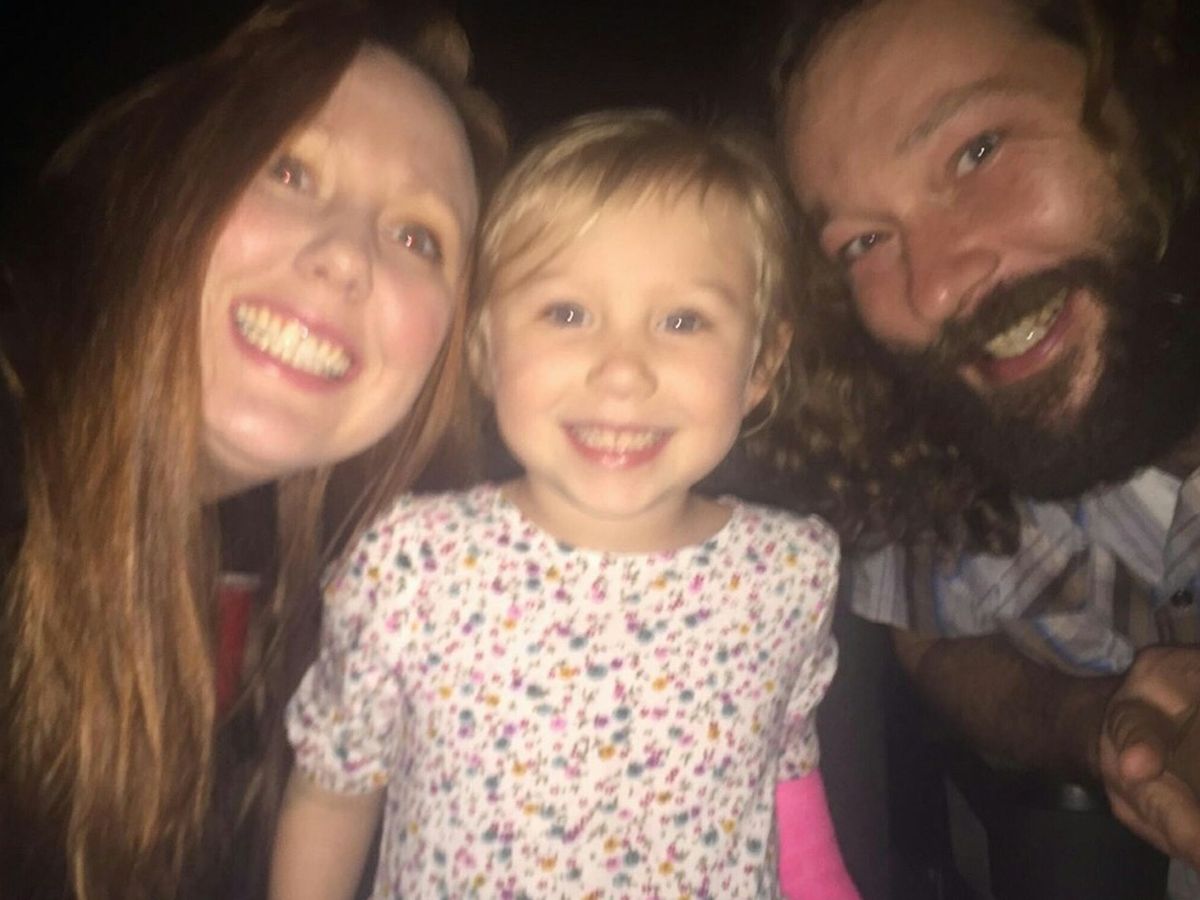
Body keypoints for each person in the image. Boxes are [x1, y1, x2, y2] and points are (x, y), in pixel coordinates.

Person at [270, 109, 859, 899]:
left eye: (683, 321)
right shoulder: (413, 567)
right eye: (567, 313)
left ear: (761, 364)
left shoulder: (790, 571)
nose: (623, 371)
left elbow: (786, 766)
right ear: (484, 347)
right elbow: (334, 790)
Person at [0, 2, 506, 898]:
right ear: (165, 176)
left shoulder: (339, 613)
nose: (346, 256)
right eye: (290, 170)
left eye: (417, 237)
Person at [769, 0, 1200, 889]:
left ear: (1148, 84)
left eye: (977, 151)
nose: (933, 289)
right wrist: (1098, 724)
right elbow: (931, 642)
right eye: (864, 241)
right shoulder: (921, 436)